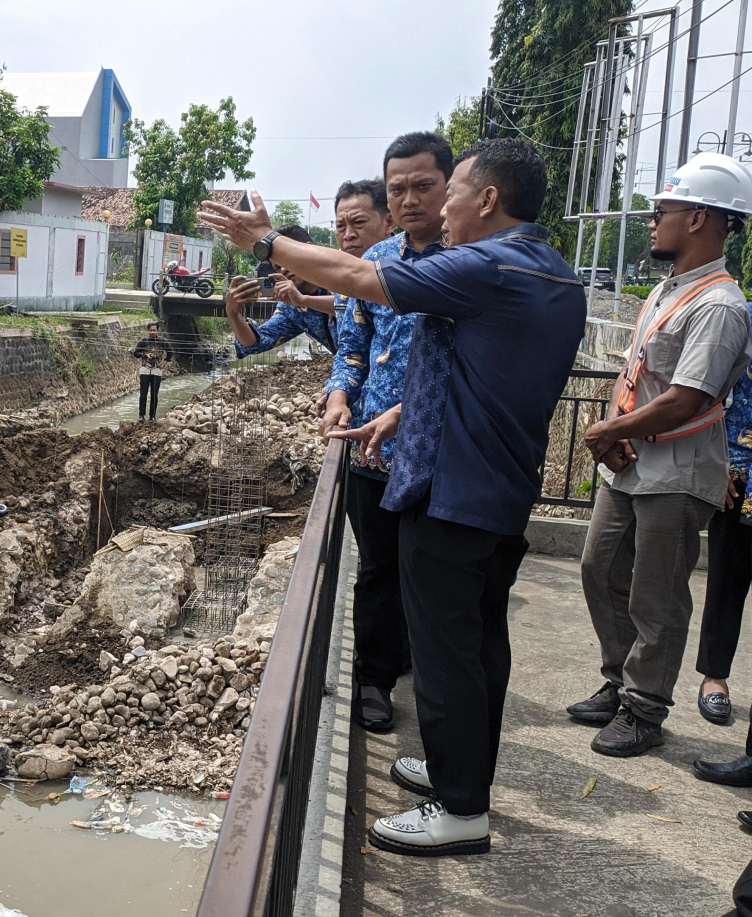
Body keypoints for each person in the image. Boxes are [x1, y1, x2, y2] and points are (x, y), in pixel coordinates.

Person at [202, 137, 587, 857]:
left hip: (452, 492)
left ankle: (461, 809)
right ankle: (457, 769)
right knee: (478, 643)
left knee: (444, 653)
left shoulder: (488, 264)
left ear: (486, 199)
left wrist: (266, 241)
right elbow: (484, 376)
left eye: (449, 191)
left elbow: (358, 277)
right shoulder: (548, 269)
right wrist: (400, 413)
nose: (438, 208)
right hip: (497, 487)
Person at [570, 152, 752, 758]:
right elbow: (638, 374)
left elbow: (686, 398)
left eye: (661, 211)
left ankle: (645, 708)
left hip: (676, 473)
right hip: (631, 462)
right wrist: (616, 431)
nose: (652, 222)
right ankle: (621, 681)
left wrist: (610, 430)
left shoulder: (719, 305)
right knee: (599, 569)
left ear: (698, 218)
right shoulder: (667, 292)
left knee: (658, 594)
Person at [319, 136, 451, 733]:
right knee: (376, 568)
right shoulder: (375, 264)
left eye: (423, 185)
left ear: (450, 187)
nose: (410, 198)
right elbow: (351, 348)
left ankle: (424, 674)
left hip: (440, 454)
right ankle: (373, 681)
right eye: (398, 188)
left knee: (428, 574)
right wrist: (339, 396)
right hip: (371, 452)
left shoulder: (466, 262)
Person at [692, 313, 752, 729]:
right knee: (727, 581)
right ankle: (715, 677)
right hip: (739, 472)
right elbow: (710, 394)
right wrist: (719, 462)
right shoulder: (741, 318)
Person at [223, 224, 339, 357]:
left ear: (310, 249)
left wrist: (304, 300)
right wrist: (234, 314)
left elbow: (351, 305)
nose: (283, 269)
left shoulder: (341, 276)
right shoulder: (292, 307)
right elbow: (256, 344)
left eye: (289, 260)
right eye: (277, 267)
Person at [133, 321, 173, 421]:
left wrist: (164, 363)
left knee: (154, 395)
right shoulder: (144, 341)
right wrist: (144, 355)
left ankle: (152, 416)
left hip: (157, 371)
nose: (152, 332)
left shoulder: (162, 341)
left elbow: (170, 352)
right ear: (148, 331)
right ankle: (141, 416)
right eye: (150, 330)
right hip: (145, 370)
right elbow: (136, 353)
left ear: (157, 330)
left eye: (154, 330)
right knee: (143, 394)